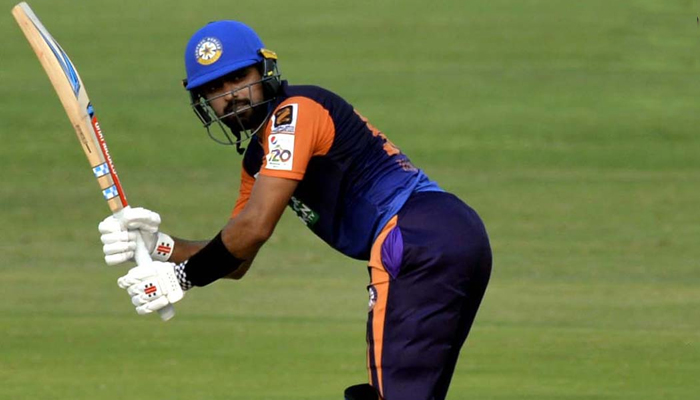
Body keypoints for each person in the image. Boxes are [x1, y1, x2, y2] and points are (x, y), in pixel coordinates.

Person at [99, 20, 492, 400]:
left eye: (239, 78)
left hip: (413, 237)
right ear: (203, 102)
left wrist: (181, 278)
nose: (231, 94)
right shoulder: (259, 158)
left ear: (265, 70)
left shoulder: (293, 113)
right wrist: (162, 246)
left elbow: (255, 228)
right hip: (444, 237)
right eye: (215, 88)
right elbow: (236, 260)